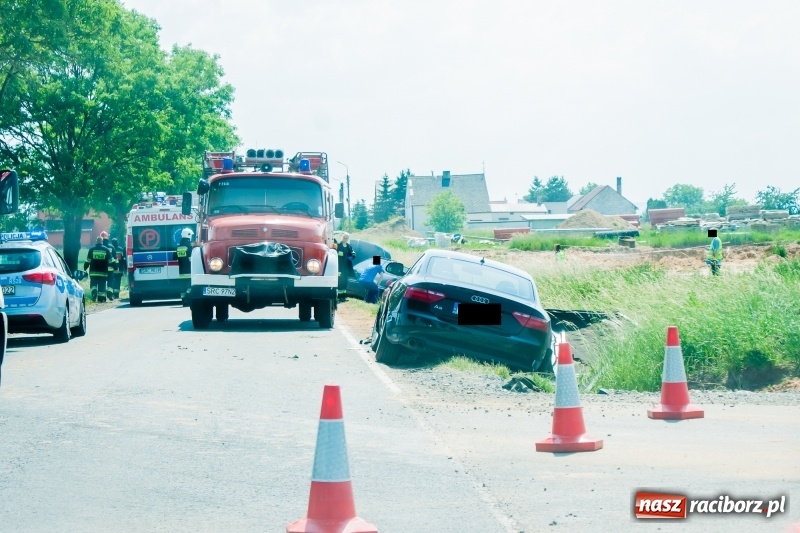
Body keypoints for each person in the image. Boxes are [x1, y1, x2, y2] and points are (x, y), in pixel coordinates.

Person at [84, 236, 111, 302]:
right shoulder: (106, 250)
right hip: (103, 273)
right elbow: (111, 261)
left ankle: (94, 292)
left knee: (93, 284)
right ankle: (101, 299)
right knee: (102, 286)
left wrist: (85, 268)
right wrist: (115, 268)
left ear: (96, 241)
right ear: (102, 241)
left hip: (93, 273)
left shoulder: (91, 250)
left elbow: (88, 261)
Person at [176, 228, 193, 305]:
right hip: (189, 271)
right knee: (189, 287)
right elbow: (191, 259)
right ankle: (188, 300)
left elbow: (177, 258)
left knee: (183, 287)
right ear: (188, 235)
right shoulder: (188, 246)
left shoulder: (179, 247)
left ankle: (183, 300)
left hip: (181, 271)